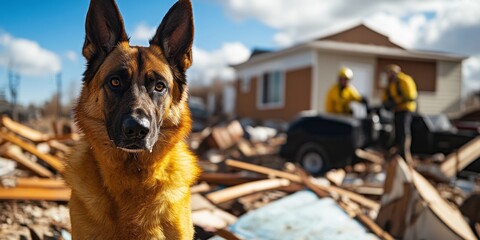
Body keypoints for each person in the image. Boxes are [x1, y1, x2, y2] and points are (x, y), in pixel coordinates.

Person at [382, 64, 417, 163]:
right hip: (396, 110)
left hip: (406, 110)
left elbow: (411, 96)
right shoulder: (390, 84)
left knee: (404, 131)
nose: (388, 75)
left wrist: (397, 102)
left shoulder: (404, 80)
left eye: (390, 73)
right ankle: (397, 153)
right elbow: (385, 96)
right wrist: (386, 103)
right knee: (396, 132)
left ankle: (406, 154)